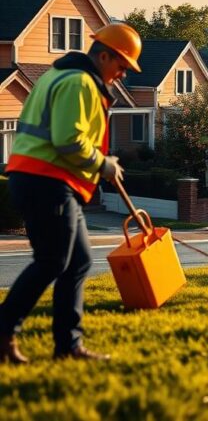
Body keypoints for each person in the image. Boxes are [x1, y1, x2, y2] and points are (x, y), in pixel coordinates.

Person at [0, 23, 142, 364]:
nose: (122, 75)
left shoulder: (57, 76)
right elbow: (68, 141)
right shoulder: (79, 83)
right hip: (46, 181)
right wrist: (102, 163)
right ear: (103, 55)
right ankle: (4, 331)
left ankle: (68, 346)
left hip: (46, 180)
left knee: (77, 262)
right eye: (121, 66)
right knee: (52, 260)